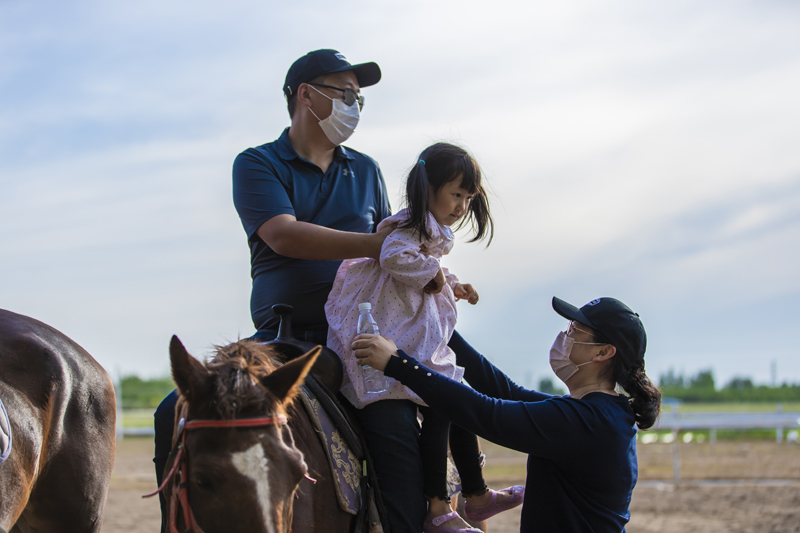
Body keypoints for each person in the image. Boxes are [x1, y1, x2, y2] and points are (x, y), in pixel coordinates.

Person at [153, 49, 429, 531]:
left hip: (361, 342)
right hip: (283, 337)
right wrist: (374, 243)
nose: (354, 105)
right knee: (168, 413)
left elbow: (395, 254)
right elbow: (283, 234)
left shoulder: (366, 170)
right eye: (345, 93)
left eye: (359, 98)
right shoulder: (257, 163)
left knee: (398, 433)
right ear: (306, 94)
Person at [325, 143, 523, 532]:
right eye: (456, 194)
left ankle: (475, 493)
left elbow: (425, 267)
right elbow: (394, 257)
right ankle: (441, 507)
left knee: (457, 396)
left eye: (468, 197)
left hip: (411, 328)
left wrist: (451, 283)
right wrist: (433, 277)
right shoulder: (406, 228)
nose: (462, 205)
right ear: (427, 187)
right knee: (445, 396)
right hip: (396, 332)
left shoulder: (428, 232)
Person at [352, 296, 663, 532]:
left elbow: (485, 412)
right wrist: (440, 322)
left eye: (575, 330)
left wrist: (397, 364)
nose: (564, 336)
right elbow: (505, 390)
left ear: (603, 352)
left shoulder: (587, 422)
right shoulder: (600, 414)